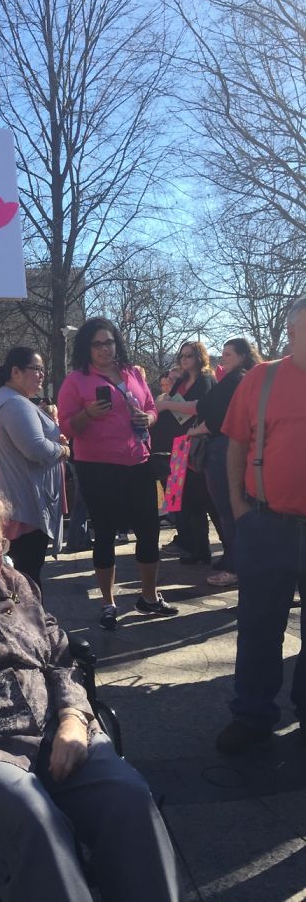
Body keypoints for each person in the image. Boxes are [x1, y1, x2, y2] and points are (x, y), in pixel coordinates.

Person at [0, 475, 181, 902]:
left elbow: (60, 657)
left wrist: (75, 719)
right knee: (37, 819)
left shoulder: (14, 584)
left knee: (129, 797)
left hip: (52, 729)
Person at [215, 297, 306, 755]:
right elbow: (235, 443)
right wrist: (238, 507)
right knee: (259, 626)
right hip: (266, 522)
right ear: (292, 332)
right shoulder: (262, 377)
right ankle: (252, 714)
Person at [58, 318, 178, 630]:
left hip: (137, 463)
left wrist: (146, 418)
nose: (104, 349)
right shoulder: (76, 380)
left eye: (109, 342)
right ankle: (108, 602)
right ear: (86, 347)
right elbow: (66, 427)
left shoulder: (134, 373)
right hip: (97, 467)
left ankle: (149, 597)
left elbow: (153, 408)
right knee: (105, 535)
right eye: (97, 343)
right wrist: (87, 414)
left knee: (149, 531)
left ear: (117, 343)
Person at [0, 347, 69, 589]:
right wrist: (62, 450)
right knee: (28, 577)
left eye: (43, 369)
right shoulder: (15, 404)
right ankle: (32, 622)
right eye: (36, 368)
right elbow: (35, 449)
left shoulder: (10, 401)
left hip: (19, 503)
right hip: (24, 507)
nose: (41, 374)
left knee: (23, 575)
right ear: (16, 372)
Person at [185, 338, 262, 588]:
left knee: (230, 507)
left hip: (224, 448)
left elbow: (219, 416)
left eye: (228, 354)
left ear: (242, 356)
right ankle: (233, 558)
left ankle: (236, 566)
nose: (223, 358)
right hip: (224, 446)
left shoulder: (237, 380)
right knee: (225, 507)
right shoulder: (238, 378)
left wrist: (195, 432)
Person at [156, 341, 218, 564]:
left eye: (189, 355)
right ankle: (197, 548)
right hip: (178, 445)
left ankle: (230, 552)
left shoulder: (206, 378)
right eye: (182, 355)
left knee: (208, 500)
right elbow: (170, 404)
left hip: (198, 444)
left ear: (199, 357)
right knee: (186, 500)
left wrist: (167, 406)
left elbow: (201, 407)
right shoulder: (181, 380)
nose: (184, 359)